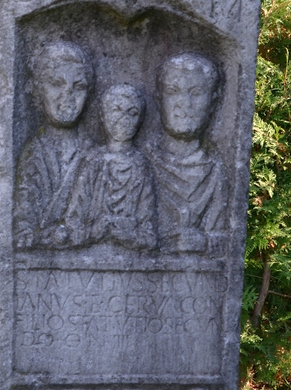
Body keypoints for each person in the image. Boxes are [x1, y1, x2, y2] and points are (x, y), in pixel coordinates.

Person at [14, 41, 94, 248]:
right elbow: (21, 231)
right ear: (39, 89)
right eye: (57, 84)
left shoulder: (96, 155)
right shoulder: (31, 156)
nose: (68, 95)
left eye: (79, 86)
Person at [148, 53, 228, 254]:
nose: (184, 103)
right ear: (158, 100)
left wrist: (203, 243)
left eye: (196, 92)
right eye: (173, 91)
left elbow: (227, 239)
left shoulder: (216, 173)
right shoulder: (141, 163)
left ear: (213, 101)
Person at [65, 83, 157, 250]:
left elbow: (149, 234)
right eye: (116, 110)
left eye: (132, 113)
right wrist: (94, 231)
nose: (124, 118)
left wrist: (127, 236)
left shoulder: (140, 166)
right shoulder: (93, 162)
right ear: (103, 115)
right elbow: (73, 222)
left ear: (140, 119)